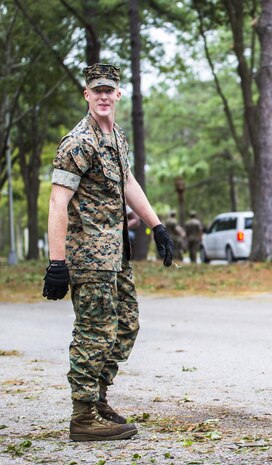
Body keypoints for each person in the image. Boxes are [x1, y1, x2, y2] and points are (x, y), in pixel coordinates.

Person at [42, 63, 175, 442]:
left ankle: (97, 402)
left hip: (116, 255)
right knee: (94, 332)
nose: (103, 95)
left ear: (118, 95)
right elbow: (57, 202)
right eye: (95, 90)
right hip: (88, 257)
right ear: (87, 95)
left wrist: (157, 225)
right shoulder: (78, 142)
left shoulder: (116, 136)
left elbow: (128, 181)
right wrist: (57, 263)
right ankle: (82, 416)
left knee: (126, 325)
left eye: (109, 90)